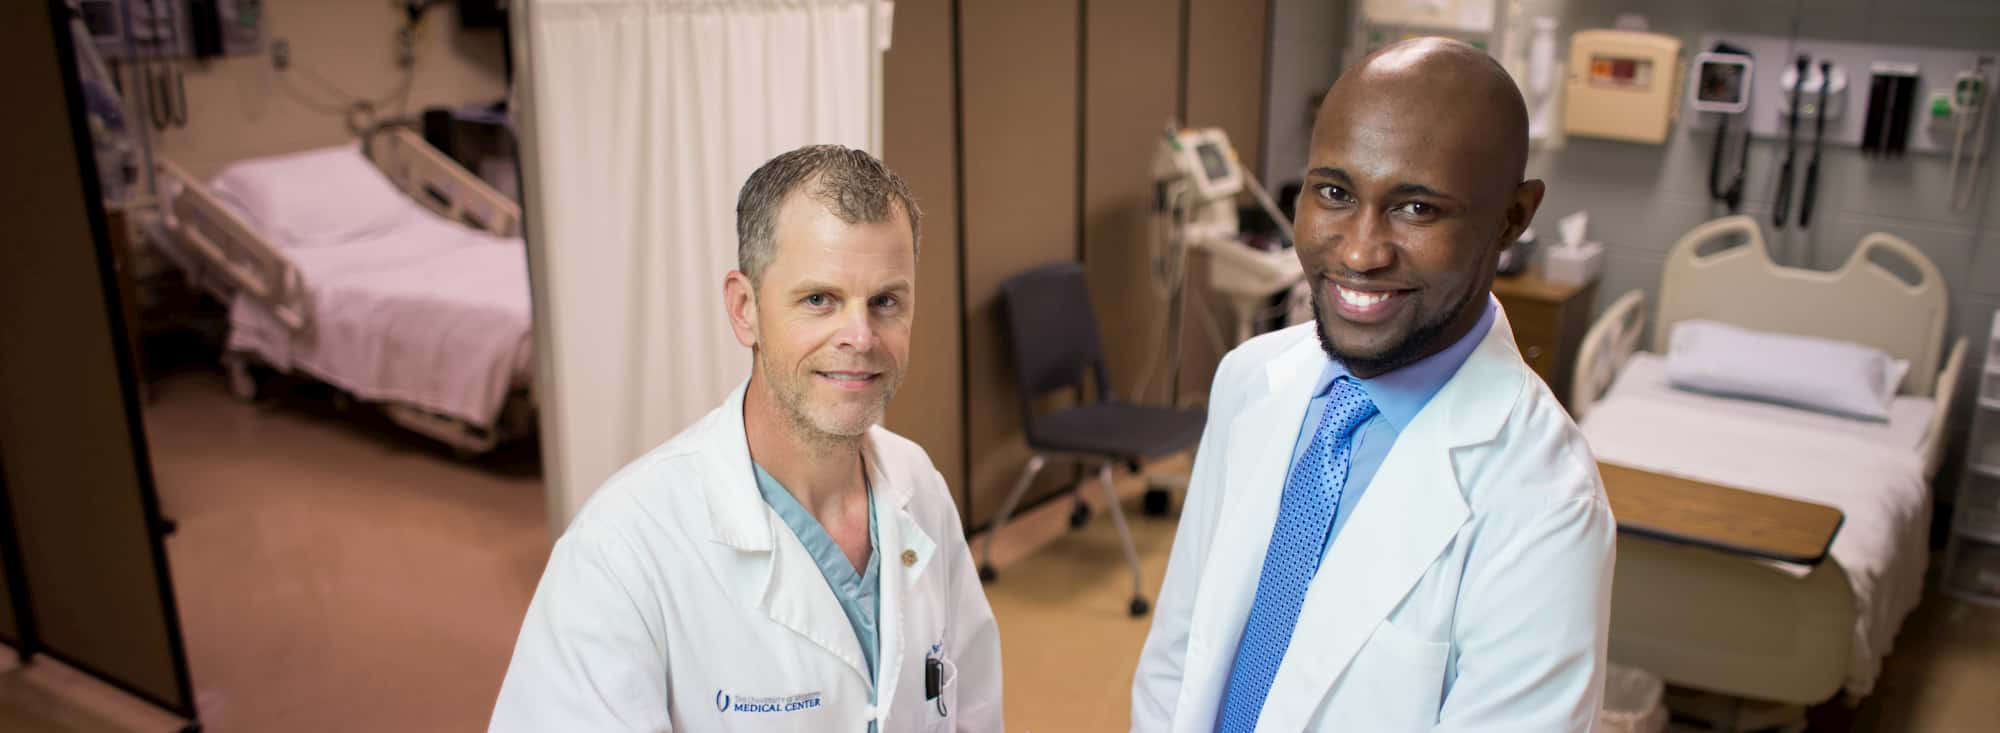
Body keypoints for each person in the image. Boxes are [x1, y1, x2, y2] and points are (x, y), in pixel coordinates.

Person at [1131, 38, 1615, 732]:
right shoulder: (1250, 381)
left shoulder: (1543, 503)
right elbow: (1178, 657)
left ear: (1513, 218)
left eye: (1417, 209)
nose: (1359, 251)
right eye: (1333, 192)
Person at [490, 145, 1002, 731]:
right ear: (744, 309)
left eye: (885, 301)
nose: (860, 337)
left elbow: (974, 710)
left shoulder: (918, 486)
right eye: (819, 300)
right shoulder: (619, 555)